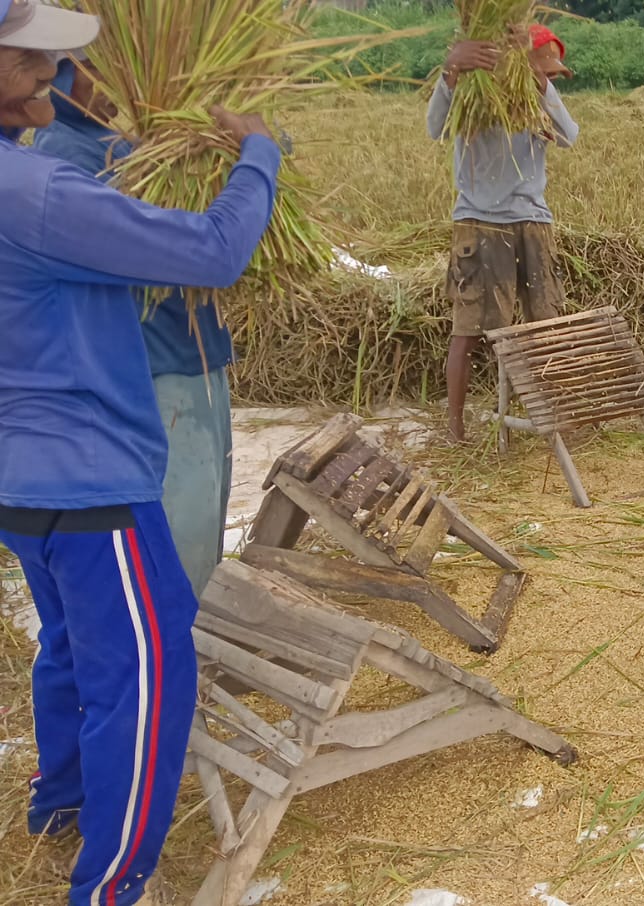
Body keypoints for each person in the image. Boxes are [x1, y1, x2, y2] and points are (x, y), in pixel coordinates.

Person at [0, 1, 283, 902]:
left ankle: (60, 804)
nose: (52, 73)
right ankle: (113, 884)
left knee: (77, 644)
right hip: (86, 479)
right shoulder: (35, 191)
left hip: (21, 474)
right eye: (28, 59)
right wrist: (259, 155)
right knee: (152, 674)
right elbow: (212, 249)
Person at [32, 53, 236, 598]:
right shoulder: (65, 159)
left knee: (206, 523)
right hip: (155, 370)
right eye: (88, 66)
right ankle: (177, 665)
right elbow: (173, 248)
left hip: (198, 354)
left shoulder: (123, 141)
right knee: (176, 538)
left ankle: (194, 659)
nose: (109, 79)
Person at [426, 23, 578, 443]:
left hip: (532, 221)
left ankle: (555, 419)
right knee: (469, 329)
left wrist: (543, 86)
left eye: (549, 71)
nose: (545, 75)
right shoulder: (475, 91)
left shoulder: (538, 99)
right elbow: (435, 128)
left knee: (545, 325)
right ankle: (455, 431)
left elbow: (569, 136)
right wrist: (451, 71)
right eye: (540, 67)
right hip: (478, 222)